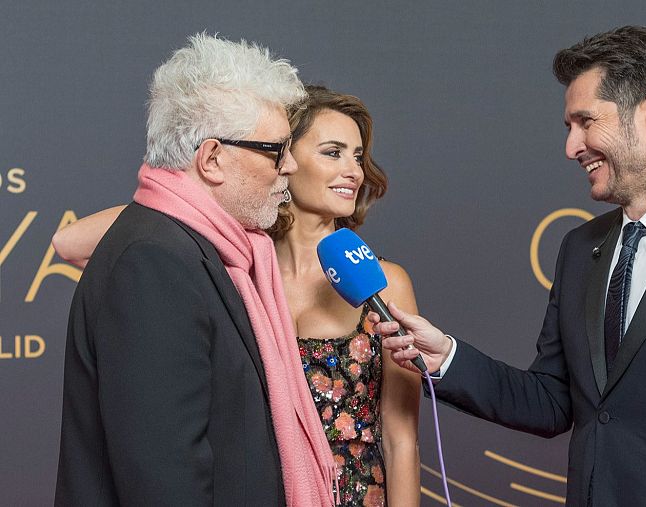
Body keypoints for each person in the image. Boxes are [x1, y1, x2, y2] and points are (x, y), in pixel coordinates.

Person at [372, 26, 646, 506]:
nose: (571, 147)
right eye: (569, 128)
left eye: (586, 121)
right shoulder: (579, 248)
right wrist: (447, 359)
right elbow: (551, 401)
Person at [53, 86, 422, 506]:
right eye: (333, 152)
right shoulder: (240, 271)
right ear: (285, 158)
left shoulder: (385, 282)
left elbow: (400, 439)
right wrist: (185, 200)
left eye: (358, 156)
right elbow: (70, 241)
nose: (354, 171)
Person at [54, 34, 336, 506]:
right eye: (275, 150)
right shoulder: (154, 261)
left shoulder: (215, 251)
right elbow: (164, 477)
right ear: (211, 159)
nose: (289, 167)